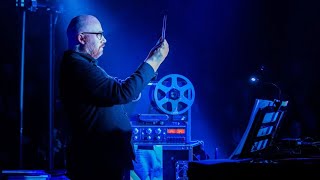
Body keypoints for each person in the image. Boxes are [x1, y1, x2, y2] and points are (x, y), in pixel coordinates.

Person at [59, 14, 169, 180]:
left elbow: (121, 91)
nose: (104, 40)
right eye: (99, 35)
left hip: (106, 162)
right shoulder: (77, 67)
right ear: (82, 38)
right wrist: (155, 61)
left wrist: (149, 62)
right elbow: (123, 92)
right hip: (97, 165)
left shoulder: (84, 66)